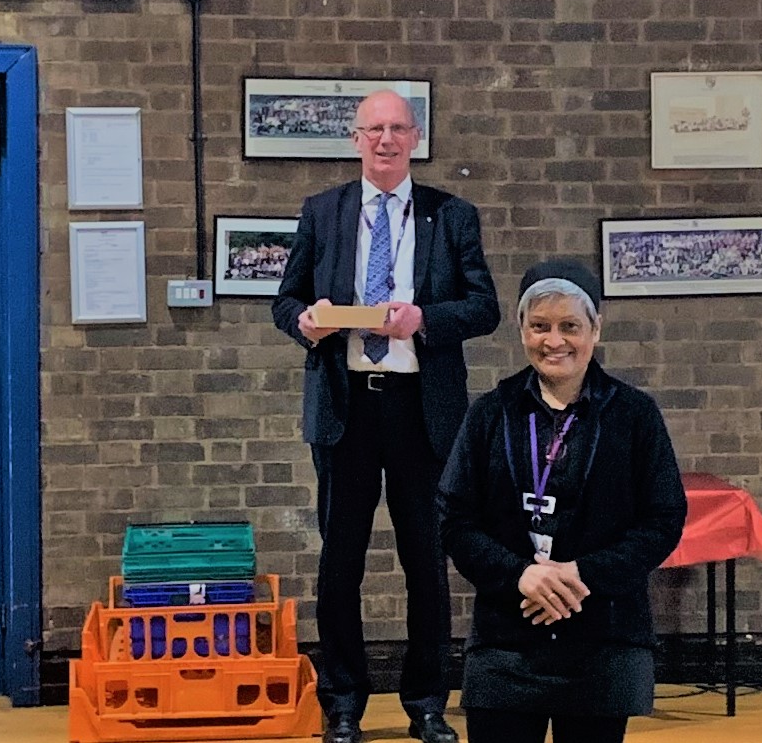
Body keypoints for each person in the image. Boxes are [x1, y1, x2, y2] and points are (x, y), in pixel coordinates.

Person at [269, 90, 498, 743]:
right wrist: (305, 322)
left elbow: (483, 307)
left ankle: (426, 700)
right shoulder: (323, 211)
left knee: (425, 558)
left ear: (415, 137)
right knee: (339, 561)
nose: (385, 139)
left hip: (420, 409)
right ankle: (342, 701)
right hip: (345, 409)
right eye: (374, 128)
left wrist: (424, 317)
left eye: (397, 128)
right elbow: (283, 301)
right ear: (355, 138)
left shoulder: (451, 216)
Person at [438, 260, 686, 743]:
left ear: (595, 329)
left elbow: (663, 520)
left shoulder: (635, 415)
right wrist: (521, 575)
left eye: (570, 326)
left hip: (603, 636)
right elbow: (455, 519)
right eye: (540, 326)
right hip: (508, 638)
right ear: (521, 330)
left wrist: (582, 574)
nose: (555, 340)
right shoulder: (490, 413)